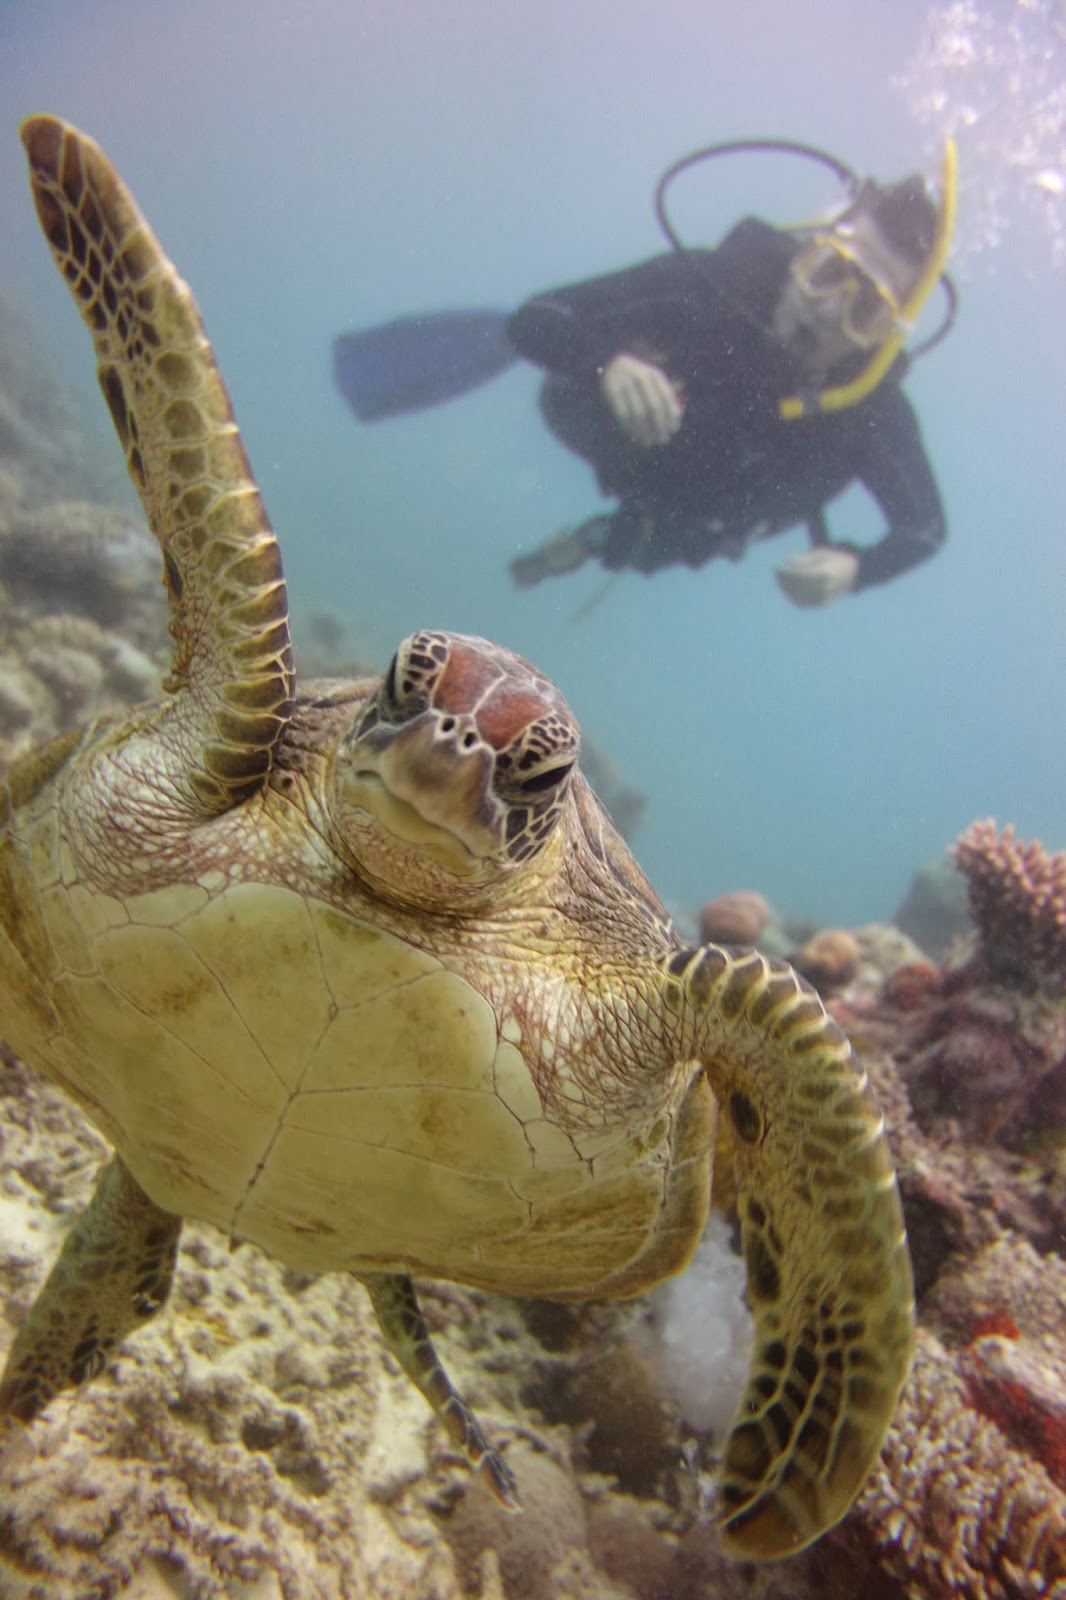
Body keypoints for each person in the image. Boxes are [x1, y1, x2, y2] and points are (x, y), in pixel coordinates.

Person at [506, 164, 953, 608]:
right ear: (805, 252)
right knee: (568, 388)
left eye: (866, 308)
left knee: (667, 539)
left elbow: (924, 527)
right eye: (829, 271)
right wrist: (603, 364)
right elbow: (538, 316)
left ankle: (598, 541)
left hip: (696, 514)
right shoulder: (708, 286)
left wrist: (858, 569)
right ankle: (612, 529)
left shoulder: (870, 408)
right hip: (615, 437)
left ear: (884, 335)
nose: (827, 310)